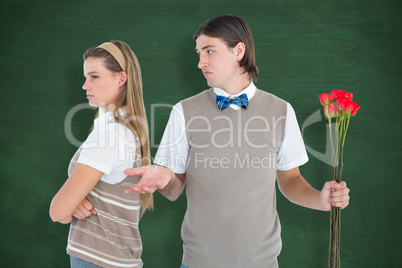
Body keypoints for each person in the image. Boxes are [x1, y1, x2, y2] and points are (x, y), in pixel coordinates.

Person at [49, 40, 153, 268]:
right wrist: (74, 202)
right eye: (86, 77)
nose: (85, 85)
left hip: (99, 260)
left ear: (121, 79)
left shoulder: (112, 135)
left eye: (94, 77)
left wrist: (70, 207)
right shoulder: (118, 129)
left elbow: (58, 212)